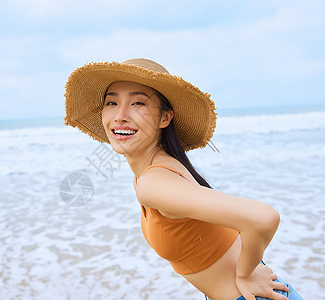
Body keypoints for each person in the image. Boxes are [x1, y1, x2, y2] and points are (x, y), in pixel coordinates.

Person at [64, 58, 303, 300]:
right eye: (112, 102)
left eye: (138, 103)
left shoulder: (153, 182)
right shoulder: (161, 167)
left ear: (164, 118)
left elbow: (263, 217)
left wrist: (245, 274)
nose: (120, 115)